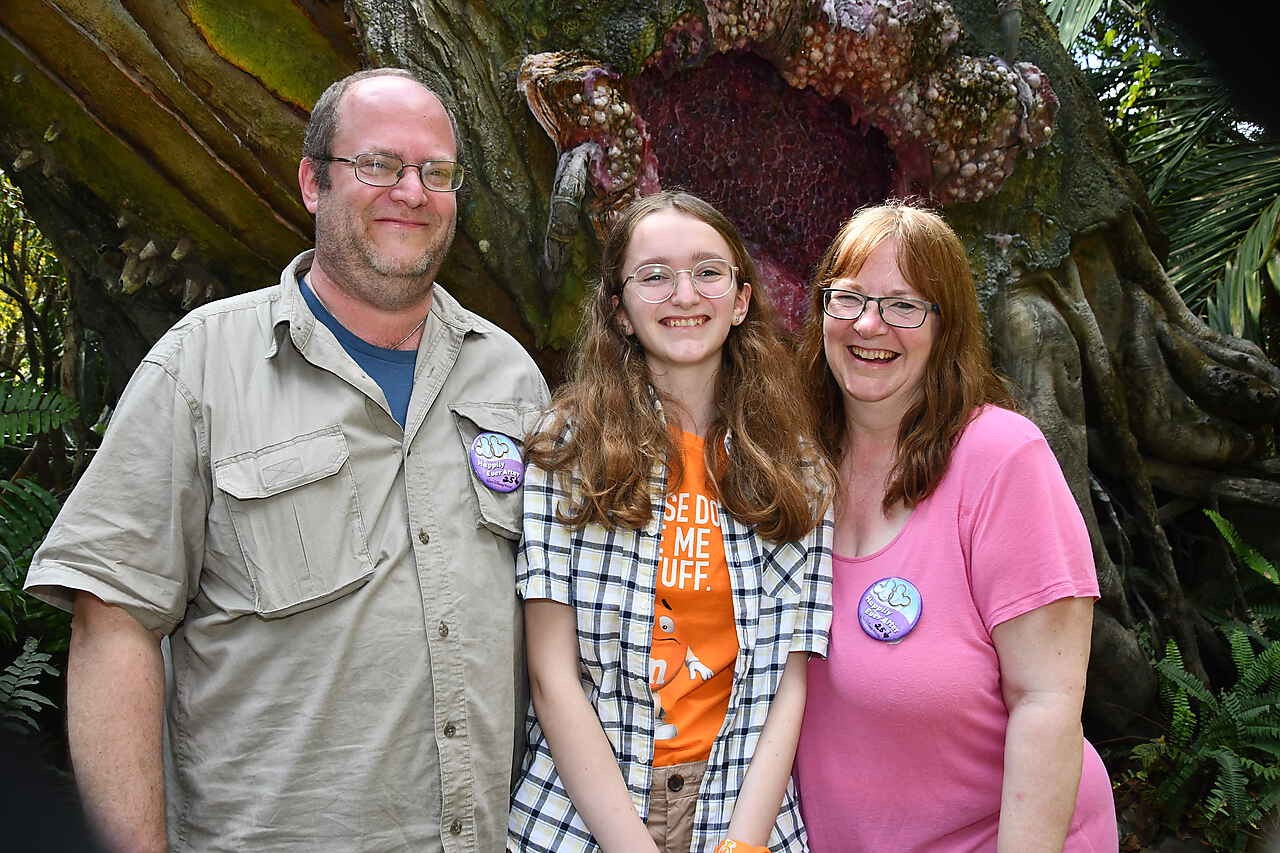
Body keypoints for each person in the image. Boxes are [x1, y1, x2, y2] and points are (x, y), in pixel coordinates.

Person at [24, 68, 549, 852]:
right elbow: (114, 622)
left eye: (435, 172)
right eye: (378, 164)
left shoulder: (509, 374)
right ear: (313, 182)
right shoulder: (200, 366)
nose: (411, 190)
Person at [507, 191, 833, 853]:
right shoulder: (566, 449)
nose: (684, 294)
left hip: (741, 805)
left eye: (708, 272)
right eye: (654, 275)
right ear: (621, 311)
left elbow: (790, 678)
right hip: (586, 814)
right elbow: (551, 672)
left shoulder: (794, 467)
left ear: (740, 300)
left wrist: (745, 842)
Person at [794, 202, 1118, 851]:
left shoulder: (1000, 457)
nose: (868, 323)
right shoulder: (795, 461)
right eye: (848, 297)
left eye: (903, 305)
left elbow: (1047, 700)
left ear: (947, 325)